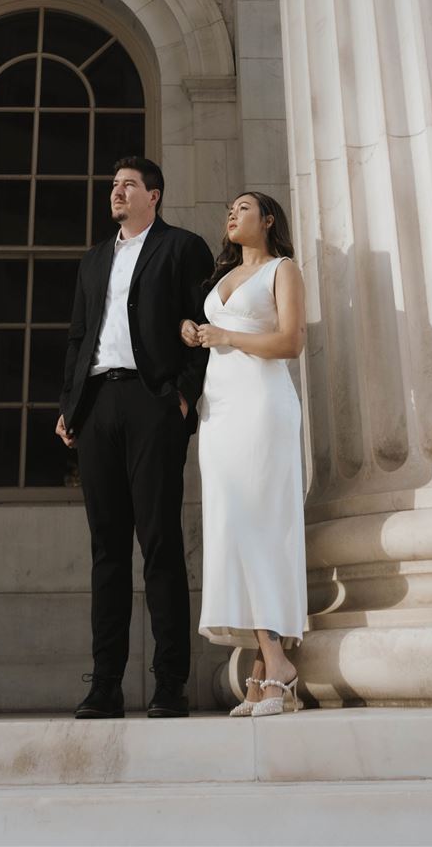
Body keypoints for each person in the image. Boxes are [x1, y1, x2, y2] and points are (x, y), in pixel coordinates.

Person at [58, 156, 215, 720]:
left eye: (128, 185)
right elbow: (79, 336)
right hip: (98, 403)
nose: (117, 193)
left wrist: (183, 393)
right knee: (107, 551)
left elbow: (203, 325)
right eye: (114, 185)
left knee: (160, 543)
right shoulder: (95, 257)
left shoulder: (183, 247)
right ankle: (105, 685)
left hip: (153, 403)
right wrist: (70, 405)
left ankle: (170, 682)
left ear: (155, 196)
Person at [185, 190, 308, 717]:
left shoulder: (283, 269)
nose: (231, 214)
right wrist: (193, 331)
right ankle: (262, 670)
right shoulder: (220, 277)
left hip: (262, 407)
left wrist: (225, 335)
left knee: (261, 526)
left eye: (243, 208)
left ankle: (276, 663)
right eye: (228, 209)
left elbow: (290, 343)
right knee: (233, 527)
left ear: (268, 219)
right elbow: (214, 334)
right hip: (221, 411)